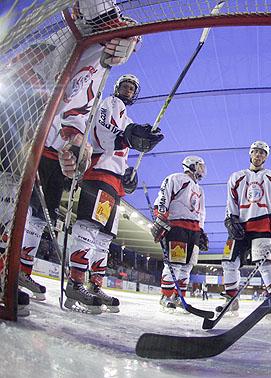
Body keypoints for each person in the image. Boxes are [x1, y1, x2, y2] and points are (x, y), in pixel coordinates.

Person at [17, 0, 141, 302]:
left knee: (36, 215)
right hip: (34, 137)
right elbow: (97, 130)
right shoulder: (74, 46)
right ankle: (66, 279)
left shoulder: (98, 60)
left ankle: (19, 270)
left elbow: (77, 104)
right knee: (14, 202)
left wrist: (75, 138)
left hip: (57, 149)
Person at [65, 74, 163, 314]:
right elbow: (102, 133)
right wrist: (128, 136)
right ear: (118, 88)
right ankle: (75, 283)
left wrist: (127, 175)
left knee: (105, 237)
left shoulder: (126, 116)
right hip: (99, 174)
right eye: (126, 87)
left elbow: (120, 149)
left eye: (132, 89)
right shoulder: (109, 103)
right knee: (89, 227)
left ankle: (94, 285)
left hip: (113, 180)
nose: (128, 91)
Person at [221, 141, 271, 316]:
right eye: (255, 152)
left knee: (266, 266)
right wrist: (230, 220)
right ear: (250, 154)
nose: (258, 155)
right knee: (228, 263)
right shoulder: (236, 177)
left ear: (266, 157)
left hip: (263, 226)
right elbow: (231, 202)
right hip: (240, 227)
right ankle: (231, 301)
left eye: (262, 153)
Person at [151, 156, 208, 309]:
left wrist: (201, 231)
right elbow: (163, 198)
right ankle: (166, 296)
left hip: (194, 231)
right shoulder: (176, 178)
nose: (203, 170)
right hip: (178, 226)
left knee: (187, 266)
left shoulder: (200, 189)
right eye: (200, 166)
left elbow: (201, 212)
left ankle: (179, 297)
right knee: (175, 264)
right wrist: (160, 218)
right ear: (192, 165)